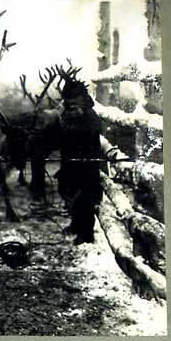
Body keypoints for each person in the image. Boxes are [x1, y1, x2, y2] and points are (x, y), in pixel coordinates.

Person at [57, 76, 103, 245]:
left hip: (87, 165)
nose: (72, 102)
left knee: (85, 200)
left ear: (82, 98)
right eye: (69, 99)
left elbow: (93, 131)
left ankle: (87, 235)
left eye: (75, 98)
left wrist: (75, 121)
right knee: (66, 192)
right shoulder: (66, 115)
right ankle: (76, 225)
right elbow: (61, 135)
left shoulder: (90, 115)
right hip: (69, 164)